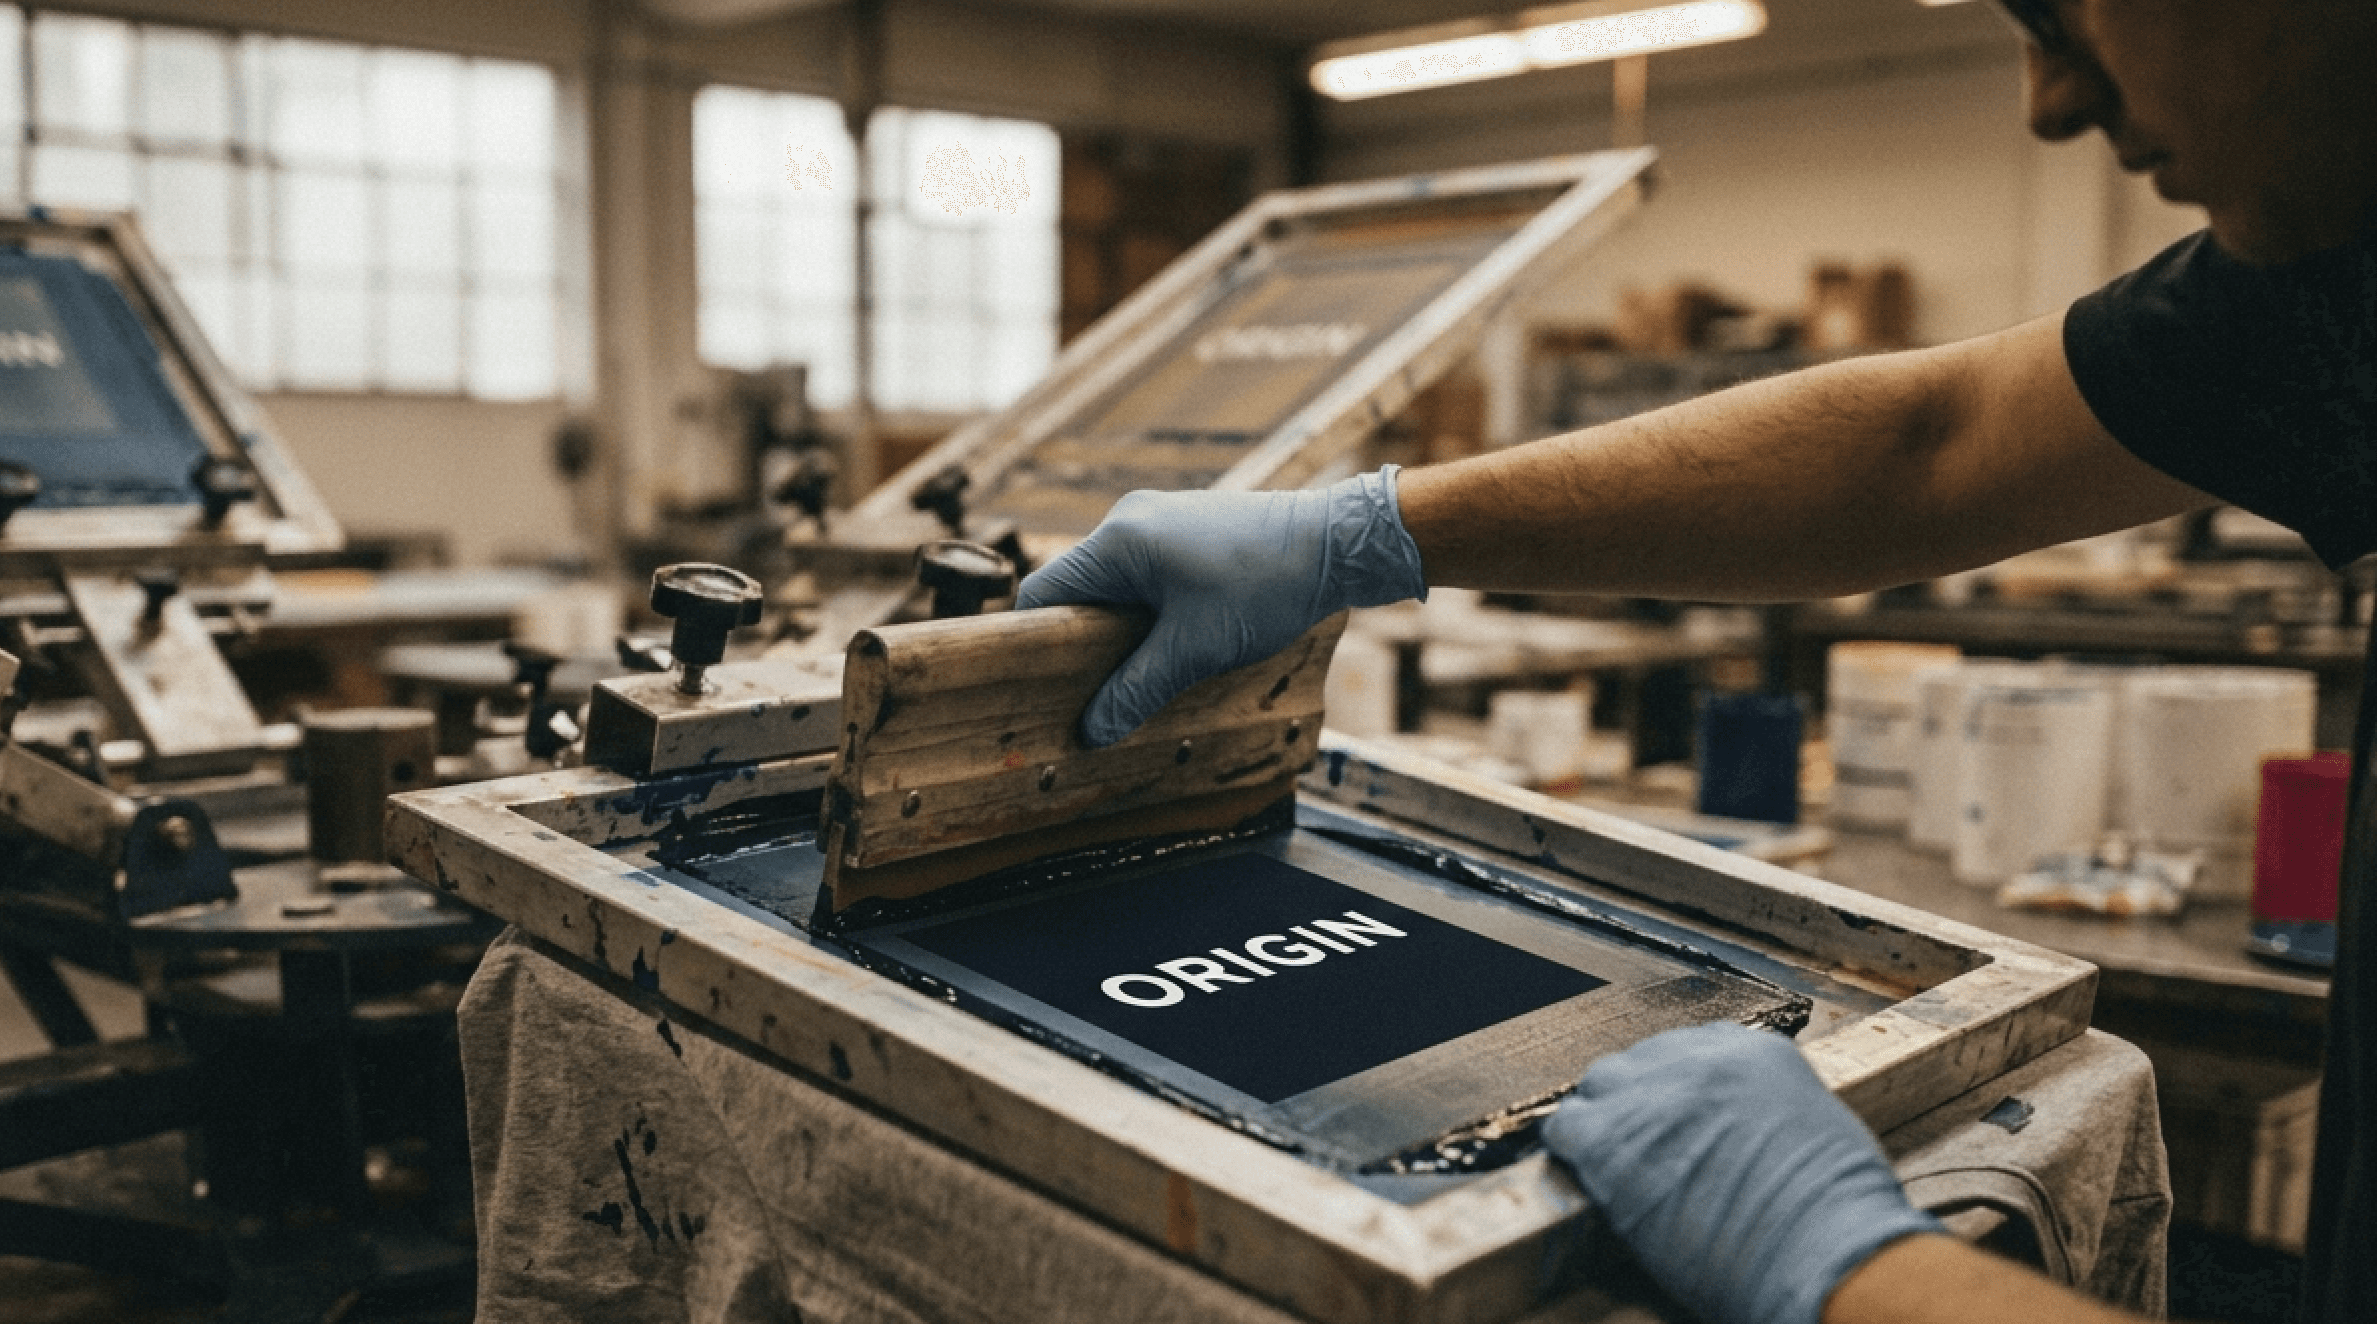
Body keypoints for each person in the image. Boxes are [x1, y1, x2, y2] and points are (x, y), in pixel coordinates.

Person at [1016, 3, 2377, 1322]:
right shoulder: (2337, 286)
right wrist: (1358, 531)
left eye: (2061, 9)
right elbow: (1929, 445)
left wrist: (1852, 1268)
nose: (2050, 100)